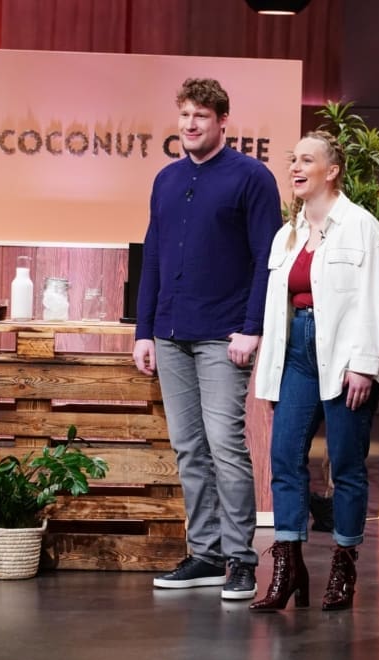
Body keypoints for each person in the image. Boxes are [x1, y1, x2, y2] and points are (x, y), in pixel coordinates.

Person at [133, 77, 282, 601]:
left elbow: (269, 258)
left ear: (222, 121)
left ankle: (241, 558)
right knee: (188, 448)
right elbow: (152, 256)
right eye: (185, 115)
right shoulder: (166, 180)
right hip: (170, 333)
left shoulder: (252, 178)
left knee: (224, 446)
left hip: (224, 335)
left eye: (202, 115)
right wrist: (144, 330)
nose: (191, 124)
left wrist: (252, 327)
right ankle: (205, 553)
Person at [251, 130, 379, 612]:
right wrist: (270, 373)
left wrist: (364, 364)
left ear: (332, 171)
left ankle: (343, 564)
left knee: (347, 465)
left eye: (307, 160)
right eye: (292, 159)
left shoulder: (361, 227)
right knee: (285, 458)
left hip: (343, 357)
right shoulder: (287, 233)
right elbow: (278, 310)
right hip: (297, 353)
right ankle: (289, 566)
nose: (295, 167)